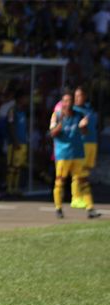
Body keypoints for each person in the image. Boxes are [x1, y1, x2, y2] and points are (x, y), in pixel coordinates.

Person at [49, 91, 99, 219]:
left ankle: (90, 208)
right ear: (62, 103)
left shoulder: (79, 114)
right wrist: (59, 125)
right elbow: (52, 133)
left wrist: (83, 126)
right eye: (65, 101)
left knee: (83, 180)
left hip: (77, 153)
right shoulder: (57, 115)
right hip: (63, 154)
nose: (68, 103)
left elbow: (84, 133)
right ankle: (58, 208)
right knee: (60, 182)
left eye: (70, 101)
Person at [71, 86, 98, 209]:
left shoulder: (89, 109)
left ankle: (82, 196)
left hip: (92, 143)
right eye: (75, 96)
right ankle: (75, 197)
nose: (77, 98)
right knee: (78, 172)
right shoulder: (73, 111)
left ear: (85, 96)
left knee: (86, 172)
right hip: (81, 144)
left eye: (79, 95)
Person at [5, 92, 29, 196]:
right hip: (15, 143)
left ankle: (16, 188)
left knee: (19, 167)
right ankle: (9, 188)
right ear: (19, 98)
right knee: (12, 167)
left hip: (23, 142)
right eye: (24, 98)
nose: (25, 100)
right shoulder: (12, 111)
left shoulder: (23, 111)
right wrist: (15, 141)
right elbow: (10, 126)